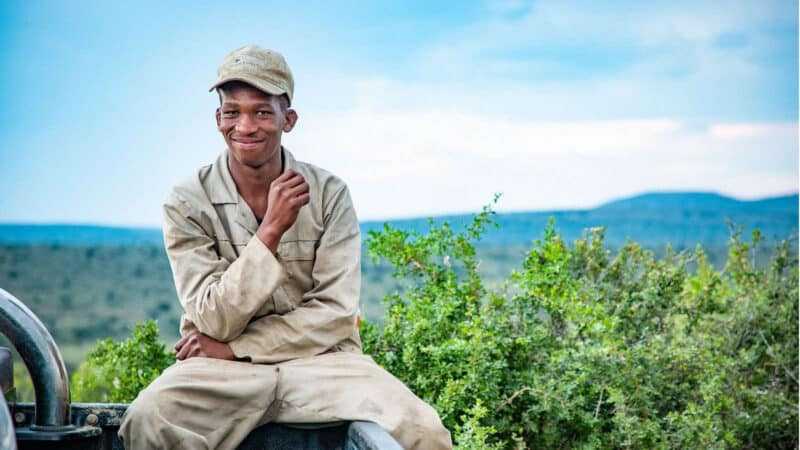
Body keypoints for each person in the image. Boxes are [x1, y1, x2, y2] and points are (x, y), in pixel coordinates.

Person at [117, 45, 453, 450]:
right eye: (232, 112)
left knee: (424, 431)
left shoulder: (328, 194)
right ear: (217, 120)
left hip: (323, 364)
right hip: (220, 372)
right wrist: (270, 231)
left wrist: (238, 348)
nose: (246, 126)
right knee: (148, 418)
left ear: (287, 120)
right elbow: (211, 318)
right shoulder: (188, 201)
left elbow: (335, 314)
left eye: (262, 112)